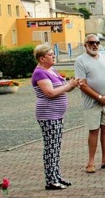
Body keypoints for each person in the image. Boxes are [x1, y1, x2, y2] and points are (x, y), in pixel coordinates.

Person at [32, 44, 79, 190]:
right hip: (48, 114)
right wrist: (68, 85)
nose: (53, 56)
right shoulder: (40, 73)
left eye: (53, 54)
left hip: (57, 114)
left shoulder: (51, 70)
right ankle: (50, 180)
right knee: (51, 147)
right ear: (42, 58)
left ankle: (56, 176)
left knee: (56, 147)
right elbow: (50, 93)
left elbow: (62, 88)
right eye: (50, 54)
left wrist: (73, 84)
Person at [75, 34, 105, 173]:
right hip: (92, 102)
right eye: (91, 43)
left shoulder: (104, 57)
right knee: (94, 130)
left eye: (97, 42)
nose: (94, 45)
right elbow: (82, 84)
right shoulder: (80, 61)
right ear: (85, 45)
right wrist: (99, 97)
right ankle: (91, 162)